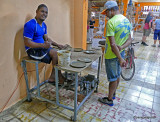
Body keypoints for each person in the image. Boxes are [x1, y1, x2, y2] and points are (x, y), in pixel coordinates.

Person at [98, 1, 132, 106]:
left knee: (112, 78)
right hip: (120, 53)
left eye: (106, 13)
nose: (106, 16)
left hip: (112, 56)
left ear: (111, 10)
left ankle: (109, 99)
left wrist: (120, 59)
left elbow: (112, 44)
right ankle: (113, 94)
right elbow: (130, 40)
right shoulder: (126, 21)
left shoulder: (111, 22)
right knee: (117, 75)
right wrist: (121, 48)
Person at [23, 4, 65, 85]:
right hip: (32, 51)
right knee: (56, 53)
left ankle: (56, 75)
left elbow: (47, 39)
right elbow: (27, 42)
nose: (44, 14)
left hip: (41, 48)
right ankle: (57, 76)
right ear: (36, 12)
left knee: (61, 51)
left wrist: (57, 45)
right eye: (42, 11)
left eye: (46, 12)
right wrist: (43, 46)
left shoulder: (44, 25)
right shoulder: (31, 24)